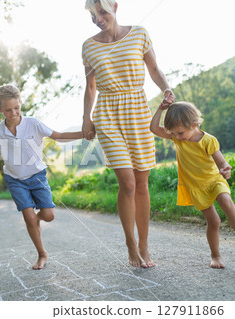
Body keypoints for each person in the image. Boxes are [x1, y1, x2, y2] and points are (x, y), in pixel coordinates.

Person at [81, 0, 175, 268]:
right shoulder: (88, 46)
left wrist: (167, 89)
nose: (98, 19)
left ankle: (144, 245)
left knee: (142, 183)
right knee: (128, 182)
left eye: (102, 12)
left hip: (138, 111)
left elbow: (154, 69)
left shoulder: (140, 33)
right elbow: (90, 87)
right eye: (92, 14)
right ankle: (130, 243)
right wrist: (86, 118)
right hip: (107, 113)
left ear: (115, 7)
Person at [0, 84, 83, 270]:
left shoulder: (33, 124)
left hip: (37, 176)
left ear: (20, 104)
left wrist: (84, 133)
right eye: (8, 110)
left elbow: (58, 136)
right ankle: (42, 254)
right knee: (28, 217)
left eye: (17, 108)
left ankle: (36, 219)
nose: (13, 113)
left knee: (49, 216)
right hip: (15, 180)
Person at [150, 101, 235, 268]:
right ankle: (215, 255)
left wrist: (225, 169)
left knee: (226, 202)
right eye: (173, 133)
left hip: (214, 180)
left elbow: (221, 162)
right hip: (196, 187)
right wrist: (160, 108)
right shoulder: (178, 138)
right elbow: (153, 128)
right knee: (214, 222)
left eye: (180, 132)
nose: (177, 136)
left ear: (194, 125)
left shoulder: (208, 140)